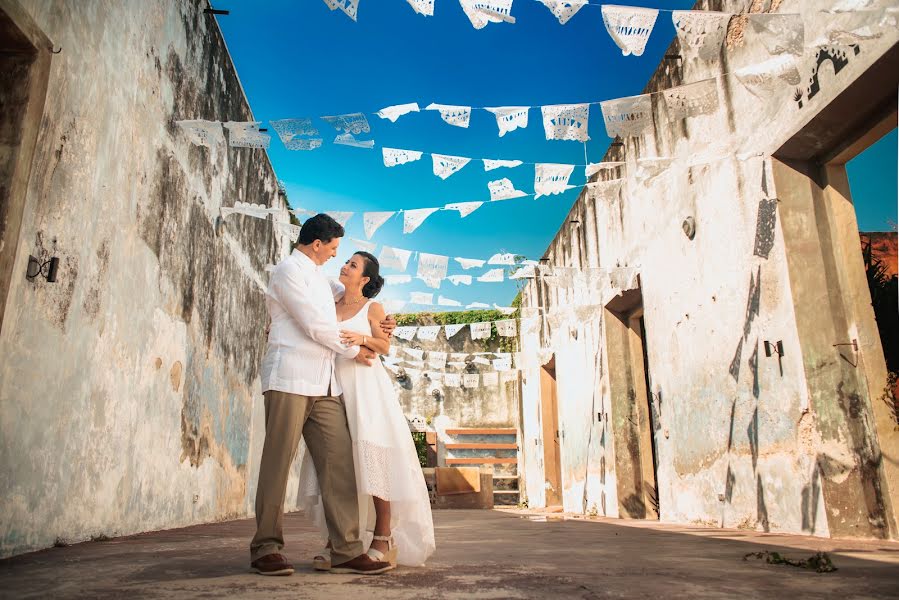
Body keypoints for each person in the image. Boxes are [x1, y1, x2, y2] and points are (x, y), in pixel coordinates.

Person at [250, 213, 396, 576]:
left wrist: (383, 321)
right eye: (333, 249)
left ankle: (347, 549)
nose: (335, 256)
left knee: (340, 462)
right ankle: (265, 547)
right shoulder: (288, 272)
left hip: (324, 383)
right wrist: (356, 351)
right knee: (277, 463)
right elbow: (316, 325)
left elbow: (353, 299)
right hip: (290, 378)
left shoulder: (320, 277)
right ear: (317, 244)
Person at [298, 251, 436, 569]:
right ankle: (340, 540)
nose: (345, 266)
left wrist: (362, 338)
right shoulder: (329, 305)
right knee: (335, 465)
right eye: (346, 261)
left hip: (367, 390)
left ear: (365, 280)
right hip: (331, 389)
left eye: (353, 265)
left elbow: (384, 346)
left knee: (374, 462)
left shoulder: (372, 307)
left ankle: (383, 538)